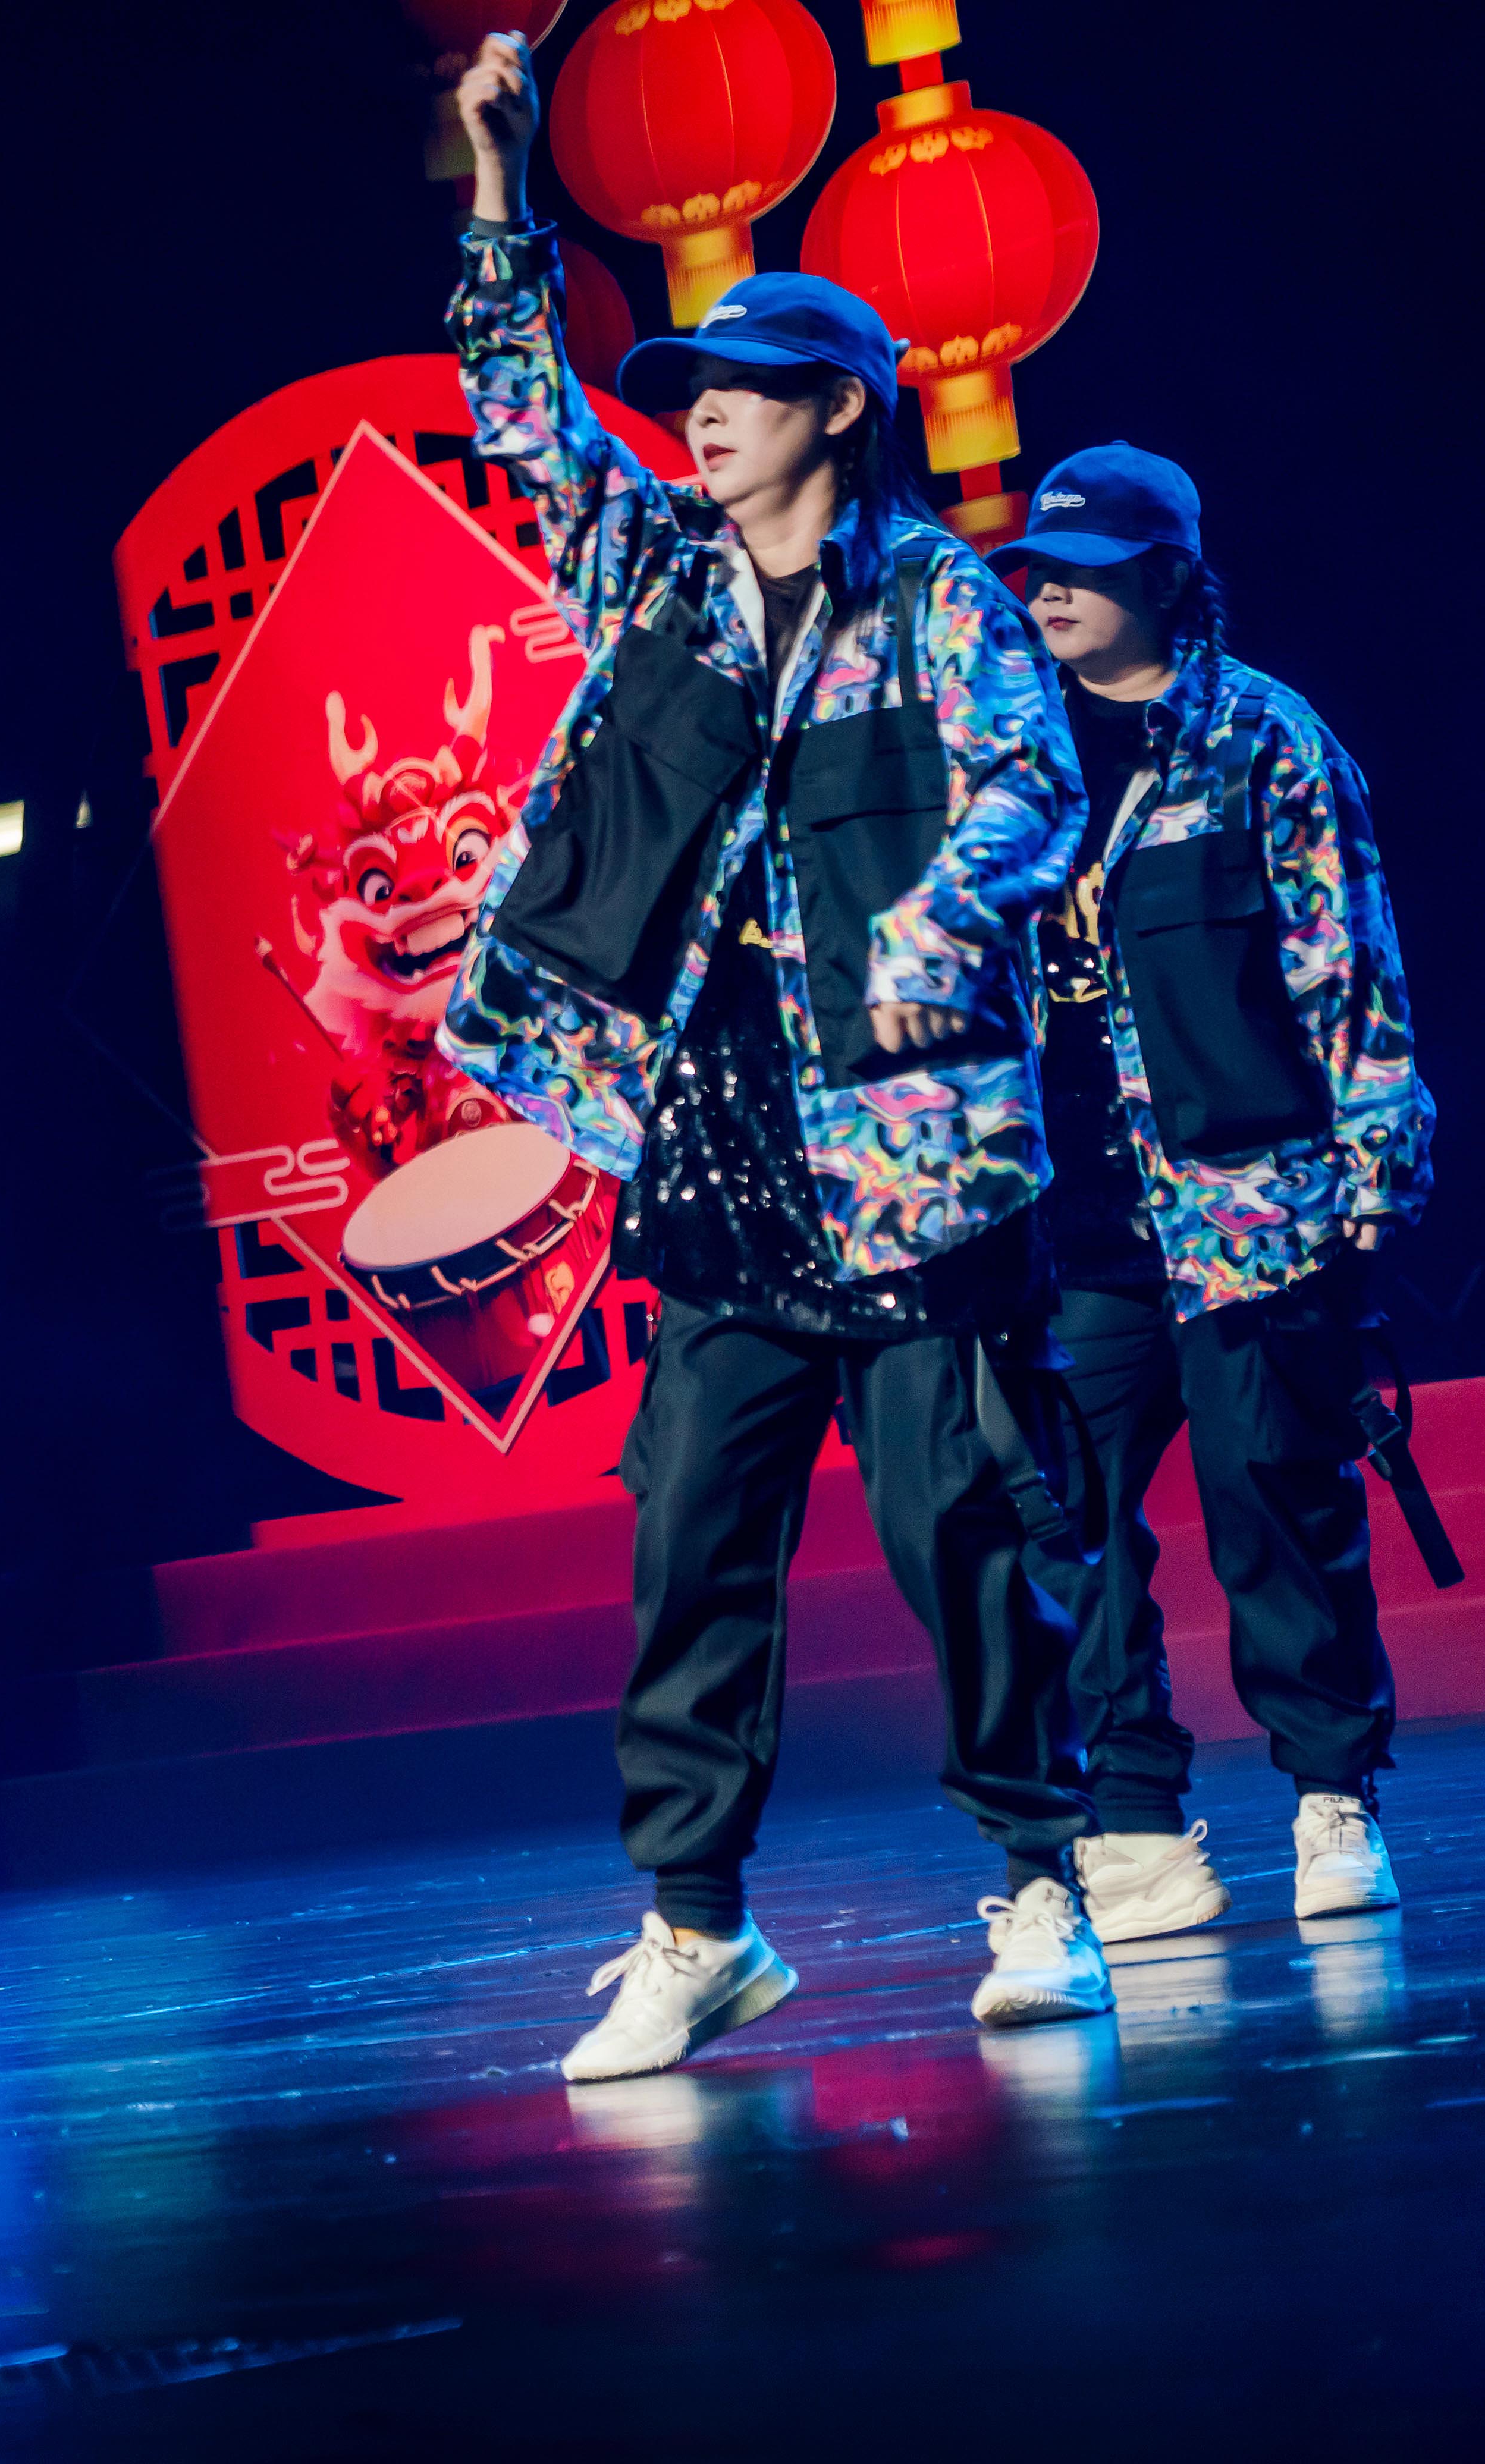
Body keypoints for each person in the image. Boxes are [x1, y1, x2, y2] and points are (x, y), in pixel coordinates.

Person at [440, 34, 1109, 2082]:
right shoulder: (652, 574)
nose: (700, 415)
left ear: (837, 407)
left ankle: (1039, 1883)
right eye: (688, 393)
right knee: (690, 1551)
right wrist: (499, 183)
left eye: (739, 387)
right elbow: (520, 410)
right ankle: (695, 1924)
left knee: (960, 1534)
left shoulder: (937, 601)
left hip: (903, 1148)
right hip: (719, 1138)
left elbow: (1029, 792)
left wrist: (933, 926)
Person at [999, 447, 1436, 1938]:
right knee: (1062, 1523)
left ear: (1170, 574)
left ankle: (1332, 1795)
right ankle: (1134, 1825)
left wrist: (1377, 1158)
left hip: (1251, 1208)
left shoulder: (1265, 739)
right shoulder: (1007, 748)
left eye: (1086, 565)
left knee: (1276, 1500)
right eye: (1040, 566)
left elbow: (1346, 961)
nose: (1051, 590)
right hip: (1070, 1226)